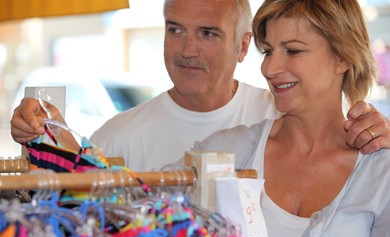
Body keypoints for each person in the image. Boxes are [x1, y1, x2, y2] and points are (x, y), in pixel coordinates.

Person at [10, 0, 390, 172]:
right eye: (175, 29)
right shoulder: (234, 143)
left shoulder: (283, 113)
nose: (187, 49)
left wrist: (378, 133)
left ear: (242, 47)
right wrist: (50, 141)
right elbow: (96, 192)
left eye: (207, 33)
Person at [190, 0, 390, 237]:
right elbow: (133, 198)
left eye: (293, 51)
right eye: (268, 51)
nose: (269, 69)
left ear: (342, 57)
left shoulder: (380, 170)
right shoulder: (224, 152)